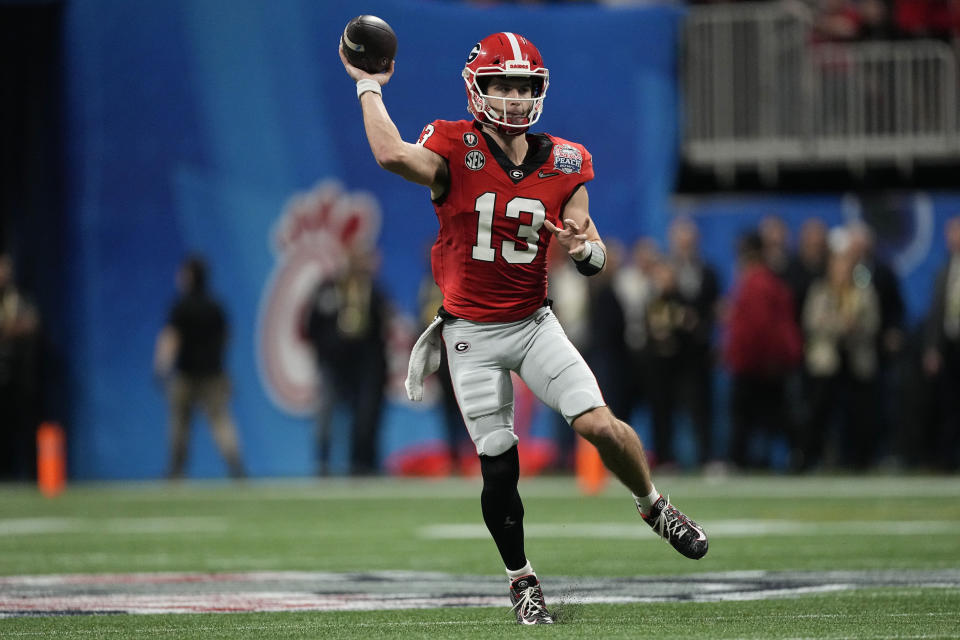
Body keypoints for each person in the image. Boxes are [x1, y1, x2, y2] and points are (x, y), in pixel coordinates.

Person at [340, 31, 708, 625]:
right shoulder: (452, 145)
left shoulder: (566, 160)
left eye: (522, 85)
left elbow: (589, 237)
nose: (512, 97)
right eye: (501, 84)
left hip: (534, 324)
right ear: (476, 89)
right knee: (499, 461)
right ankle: (522, 580)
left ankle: (654, 505)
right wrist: (367, 87)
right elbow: (390, 155)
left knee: (601, 426)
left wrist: (587, 251)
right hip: (471, 334)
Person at [153, 255, 245, 479]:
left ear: (191, 276)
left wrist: (160, 367)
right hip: (213, 374)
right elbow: (228, 338)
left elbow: (170, 339)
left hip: (186, 374)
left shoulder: (181, 307)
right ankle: (236, 468)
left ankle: (176, 471)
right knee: (221, 422)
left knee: (180, 426)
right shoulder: (216, 307)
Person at [723, 232, 803, 470]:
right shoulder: (765, 281)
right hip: (765, 363)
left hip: (755, 364)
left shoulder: (756, 283)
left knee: (751, 418)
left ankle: (743, 461)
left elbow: (759, 328)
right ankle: (792, 457)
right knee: (773, 416)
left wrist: (754, 360)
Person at [305, 248, 389, 476]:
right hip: (334, 364)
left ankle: (361, 464)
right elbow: (312, 326)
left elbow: (381, 330)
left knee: (364, 415)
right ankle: (322, 464)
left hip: (364, 365)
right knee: (326, 413)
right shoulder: (328, 289)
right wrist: (327, 350)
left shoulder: (374, 290)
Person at [0, 252, 41, 480]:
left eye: (7, 268)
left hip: (17, 374)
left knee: (22, 426)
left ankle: (27, 475)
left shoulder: (17, 297)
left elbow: (33, 323)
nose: (5, 273)